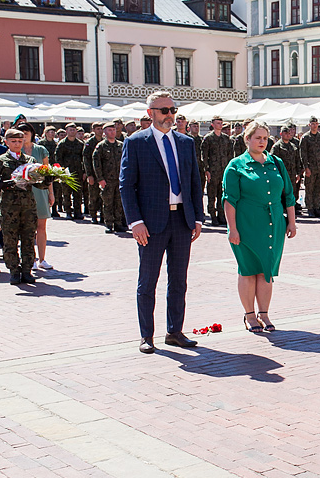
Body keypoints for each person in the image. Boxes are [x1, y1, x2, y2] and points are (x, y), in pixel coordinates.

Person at [120, 91, 204, 354]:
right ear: (150, 114)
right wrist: (135, 222)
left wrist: (198, 217)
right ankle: (147, 335)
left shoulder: (186, 142)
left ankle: (174, 331)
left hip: (181, 219)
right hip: (151, 223)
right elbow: (126, 186)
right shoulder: (136, 143)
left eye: (172, 109)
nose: (170, 115)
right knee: (148, 280)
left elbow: (194, 182)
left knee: (178, 280)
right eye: (164, 110)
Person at [224, 122, 297, 334]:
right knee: (248, 270)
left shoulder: (276, 162)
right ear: (247, 139)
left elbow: (289, 194)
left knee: (266, 271)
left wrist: (291, 222)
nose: (262, 142)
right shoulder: (236, 165)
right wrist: (232, 229)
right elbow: (230, 200)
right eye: (257, 138)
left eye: (265, 138)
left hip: (274, 224)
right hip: (246, 225)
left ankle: (264, 313)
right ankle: (249, 314)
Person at [0, 129, 46, 285]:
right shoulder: (0, 161)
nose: (17, 144)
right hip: (10, 208)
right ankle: (14, 271)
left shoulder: (30, 161)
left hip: (28, 207)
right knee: (10, 240)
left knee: (29, 239)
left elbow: (39, 184)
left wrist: (47, 180)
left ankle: (27, 270)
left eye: (20, 141)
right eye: (14, 141)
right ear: (7, 142)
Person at [17, 123, 55, 271]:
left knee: (41, 226)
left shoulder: (40, 150)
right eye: (21, 133)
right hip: (23, 191)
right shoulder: (16, 150)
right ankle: (29, 258)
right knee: (26, 228)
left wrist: (51, 193)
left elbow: (48, 173)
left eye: (27, 132)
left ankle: (42, 258)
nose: (24, 135)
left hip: (40, 191)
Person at [93, 122, 125, 234]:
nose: (112, 132)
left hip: (119, 179)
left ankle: (118, 223)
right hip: (107, 180)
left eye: (114, 130)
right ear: (105, 132)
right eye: (110, 130)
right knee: (108, 202)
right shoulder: (101, 146)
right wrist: (100, 179)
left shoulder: (121, 145)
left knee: (119, 202)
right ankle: (109, 224)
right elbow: (96, 164)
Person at [201, 116, 233, 226]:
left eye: (221, 123)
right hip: (213, 171)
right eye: (217, 123)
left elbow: (230, 155)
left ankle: (221, 215)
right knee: (211, 194)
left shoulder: (226, 139)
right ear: (213, 125)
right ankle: (212, 215)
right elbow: (204, 156)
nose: (220, 125)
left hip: (223, 170)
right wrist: (207, 170)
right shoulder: (208, 138)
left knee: (222, 194)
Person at [269, 122, 305, 215]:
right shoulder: (277, 147)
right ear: (281, 134)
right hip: (281, 175)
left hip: (292, 175)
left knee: (291, 193)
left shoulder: (293, 146)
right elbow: (272, 162)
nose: (288, 135)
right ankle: (281, 211)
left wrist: (298, 173)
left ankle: (290, 211)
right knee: (281, 194)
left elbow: (297, 160)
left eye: (289, 133)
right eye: (285, 133)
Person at [56, 123, 84, 219]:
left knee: (78, 193)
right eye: (70, 130)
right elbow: (58, 159)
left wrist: (84, 172)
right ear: (66, 131)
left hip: (78, 172)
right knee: (66, 193)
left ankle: (78, 212)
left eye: (73, 130)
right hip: (66, 173)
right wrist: (61, 172)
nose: (72, 131)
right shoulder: (62, 144)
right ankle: (68, 211)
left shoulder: (80, 144)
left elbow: (83, 159)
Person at [83, 123, 103, 224]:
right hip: (93, 174)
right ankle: (93, 215)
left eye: (101, 129)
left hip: (104, 174)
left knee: (104, 197)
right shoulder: (89, 143)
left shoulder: (105, 141)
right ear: (93, 130)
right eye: (98, 129)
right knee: (93, 196)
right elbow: (86, 159)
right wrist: (89, 174)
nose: (100, 131)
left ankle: (103, 216)